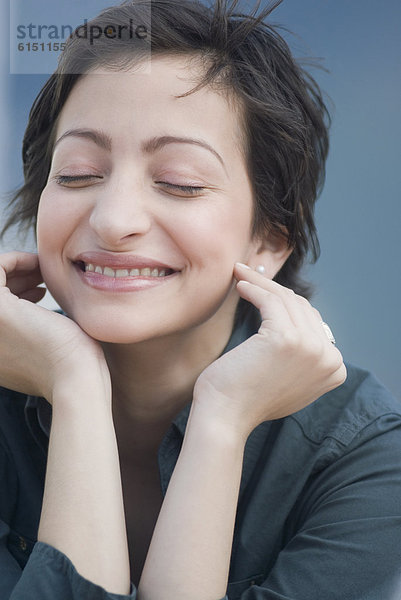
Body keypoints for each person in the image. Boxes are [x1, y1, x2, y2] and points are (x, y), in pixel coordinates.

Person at [1, 1, 400, 598]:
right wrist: (75, 385)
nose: (113, 220)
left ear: (268, 241)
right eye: (79, 173)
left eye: (180, 182)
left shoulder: (362, 456)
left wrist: (222, 422)